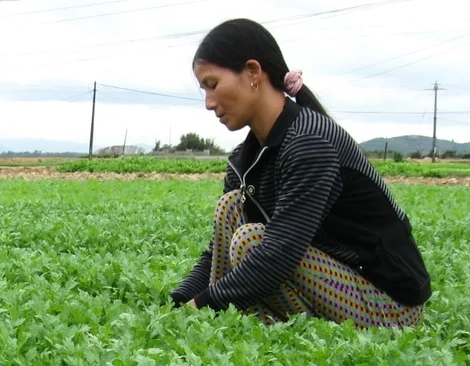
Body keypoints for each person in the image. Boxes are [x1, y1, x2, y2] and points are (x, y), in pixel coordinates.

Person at [171, 19, 431, 327]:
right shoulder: (247, 157)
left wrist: (200, 307)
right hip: (334, 279)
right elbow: (216, 254)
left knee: (251, 242)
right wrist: (178, 302)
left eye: (213, 85)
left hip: (388, 302)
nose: (209, 103)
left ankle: (261, 323)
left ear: (253, 73)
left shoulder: (309, 141)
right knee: (231, 207)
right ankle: (251, 321)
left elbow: (279, 253)